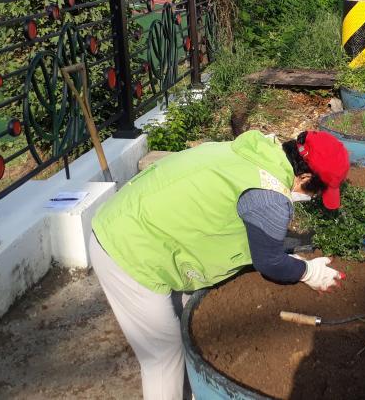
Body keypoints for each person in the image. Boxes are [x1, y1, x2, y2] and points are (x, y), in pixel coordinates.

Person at [88, 129, 350, 400]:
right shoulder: (269, 196)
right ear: (304, 177)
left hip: (134, 219)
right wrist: (309, 271)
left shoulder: (260, 151)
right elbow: (269, 262)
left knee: (182, 329)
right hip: (127, 250)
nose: (315, 198)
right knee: (163, 357)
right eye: (317, 191)